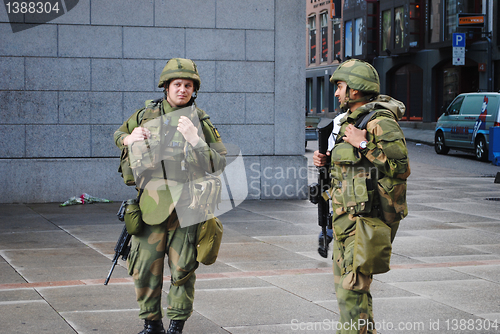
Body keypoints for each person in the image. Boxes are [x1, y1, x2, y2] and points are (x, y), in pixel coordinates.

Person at [114, 58, 227, 334]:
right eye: (177, 84)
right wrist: (129, 139)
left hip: (188, 208)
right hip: (151, 206)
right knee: (143, 266)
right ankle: (151, 324)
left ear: (194, 90)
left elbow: (218, 162)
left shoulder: (199, 120)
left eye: (188, 85)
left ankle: (176, 326)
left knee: (183, 270)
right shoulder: (145, 115)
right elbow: (119, 133)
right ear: (166, 87)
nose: (182, 90)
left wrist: (195, 140)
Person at [313, 59, 410, 333]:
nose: (336, 93)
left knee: (352, 293)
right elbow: (353, 168)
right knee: (348, 295)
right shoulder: (350, 122)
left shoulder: (380, 122)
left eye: (340, 86)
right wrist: (328, 160)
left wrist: (363, 142)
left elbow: (400, 169)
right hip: (345, 221)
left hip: (365, 223)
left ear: (355, 90)